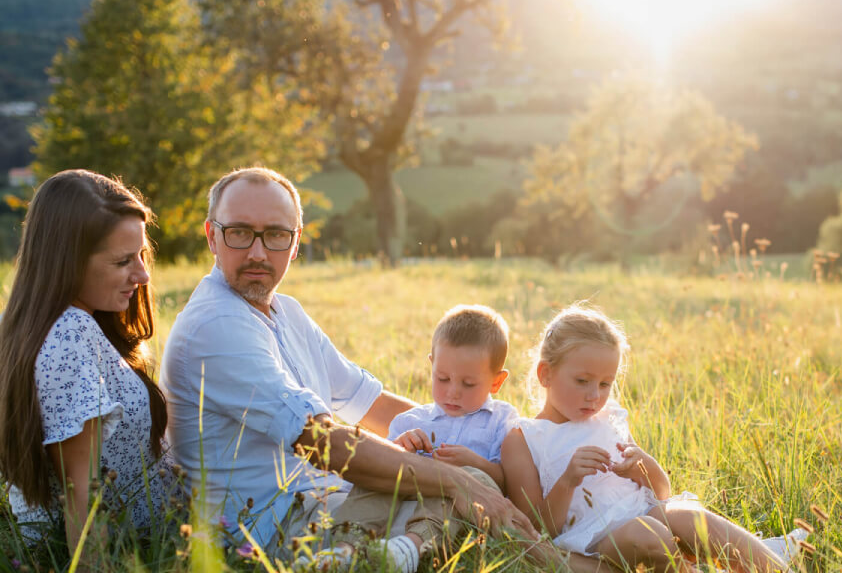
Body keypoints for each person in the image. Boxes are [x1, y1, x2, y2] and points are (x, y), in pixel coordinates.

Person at [159, 168, 538, 559]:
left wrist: (490, 439)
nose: (257, 252)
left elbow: (374, 405)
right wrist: (459, 479)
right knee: (470, 488)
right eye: (239, 232)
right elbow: (322, 443)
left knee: (473, 480)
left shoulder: (285, 312)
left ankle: (393, 553)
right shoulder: (216, 325)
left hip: (325, 502)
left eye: (275, 235)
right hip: (271, 532)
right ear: (212, 236)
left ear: (295, 242)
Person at [502, 304, 805, 573]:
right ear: (546, 374)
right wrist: (567, 481)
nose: (595, 395)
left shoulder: (609, 417)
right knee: (646, 534)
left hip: (645, 510)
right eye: (582, 381)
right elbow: (538, 531)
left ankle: (771, 564)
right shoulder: (524, 438)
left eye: (606, 383)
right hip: (592, 537)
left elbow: (661, 492)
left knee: (688, 518)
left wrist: (643, 466)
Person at [0, 170, 176, 561]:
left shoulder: (25, 325)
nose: (143, 274)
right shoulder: (70, 332)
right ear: (67, 261)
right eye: (122, 261)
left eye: (142, 255)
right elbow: (82, 493)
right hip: (139, 554)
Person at [324, 304, 518, 572]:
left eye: (468, 384)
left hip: (452, 512)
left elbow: (507, 484)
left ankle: (411, 548)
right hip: (403, 497)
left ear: (496, 382)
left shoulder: (501, 421)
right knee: (381, 468)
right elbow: (378, 471)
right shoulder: (411, 420)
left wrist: (476, 464)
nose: (452, 392)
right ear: (432, 365)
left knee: (468, 480)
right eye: (443, 378)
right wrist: (399, 450)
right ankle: (344, 548)